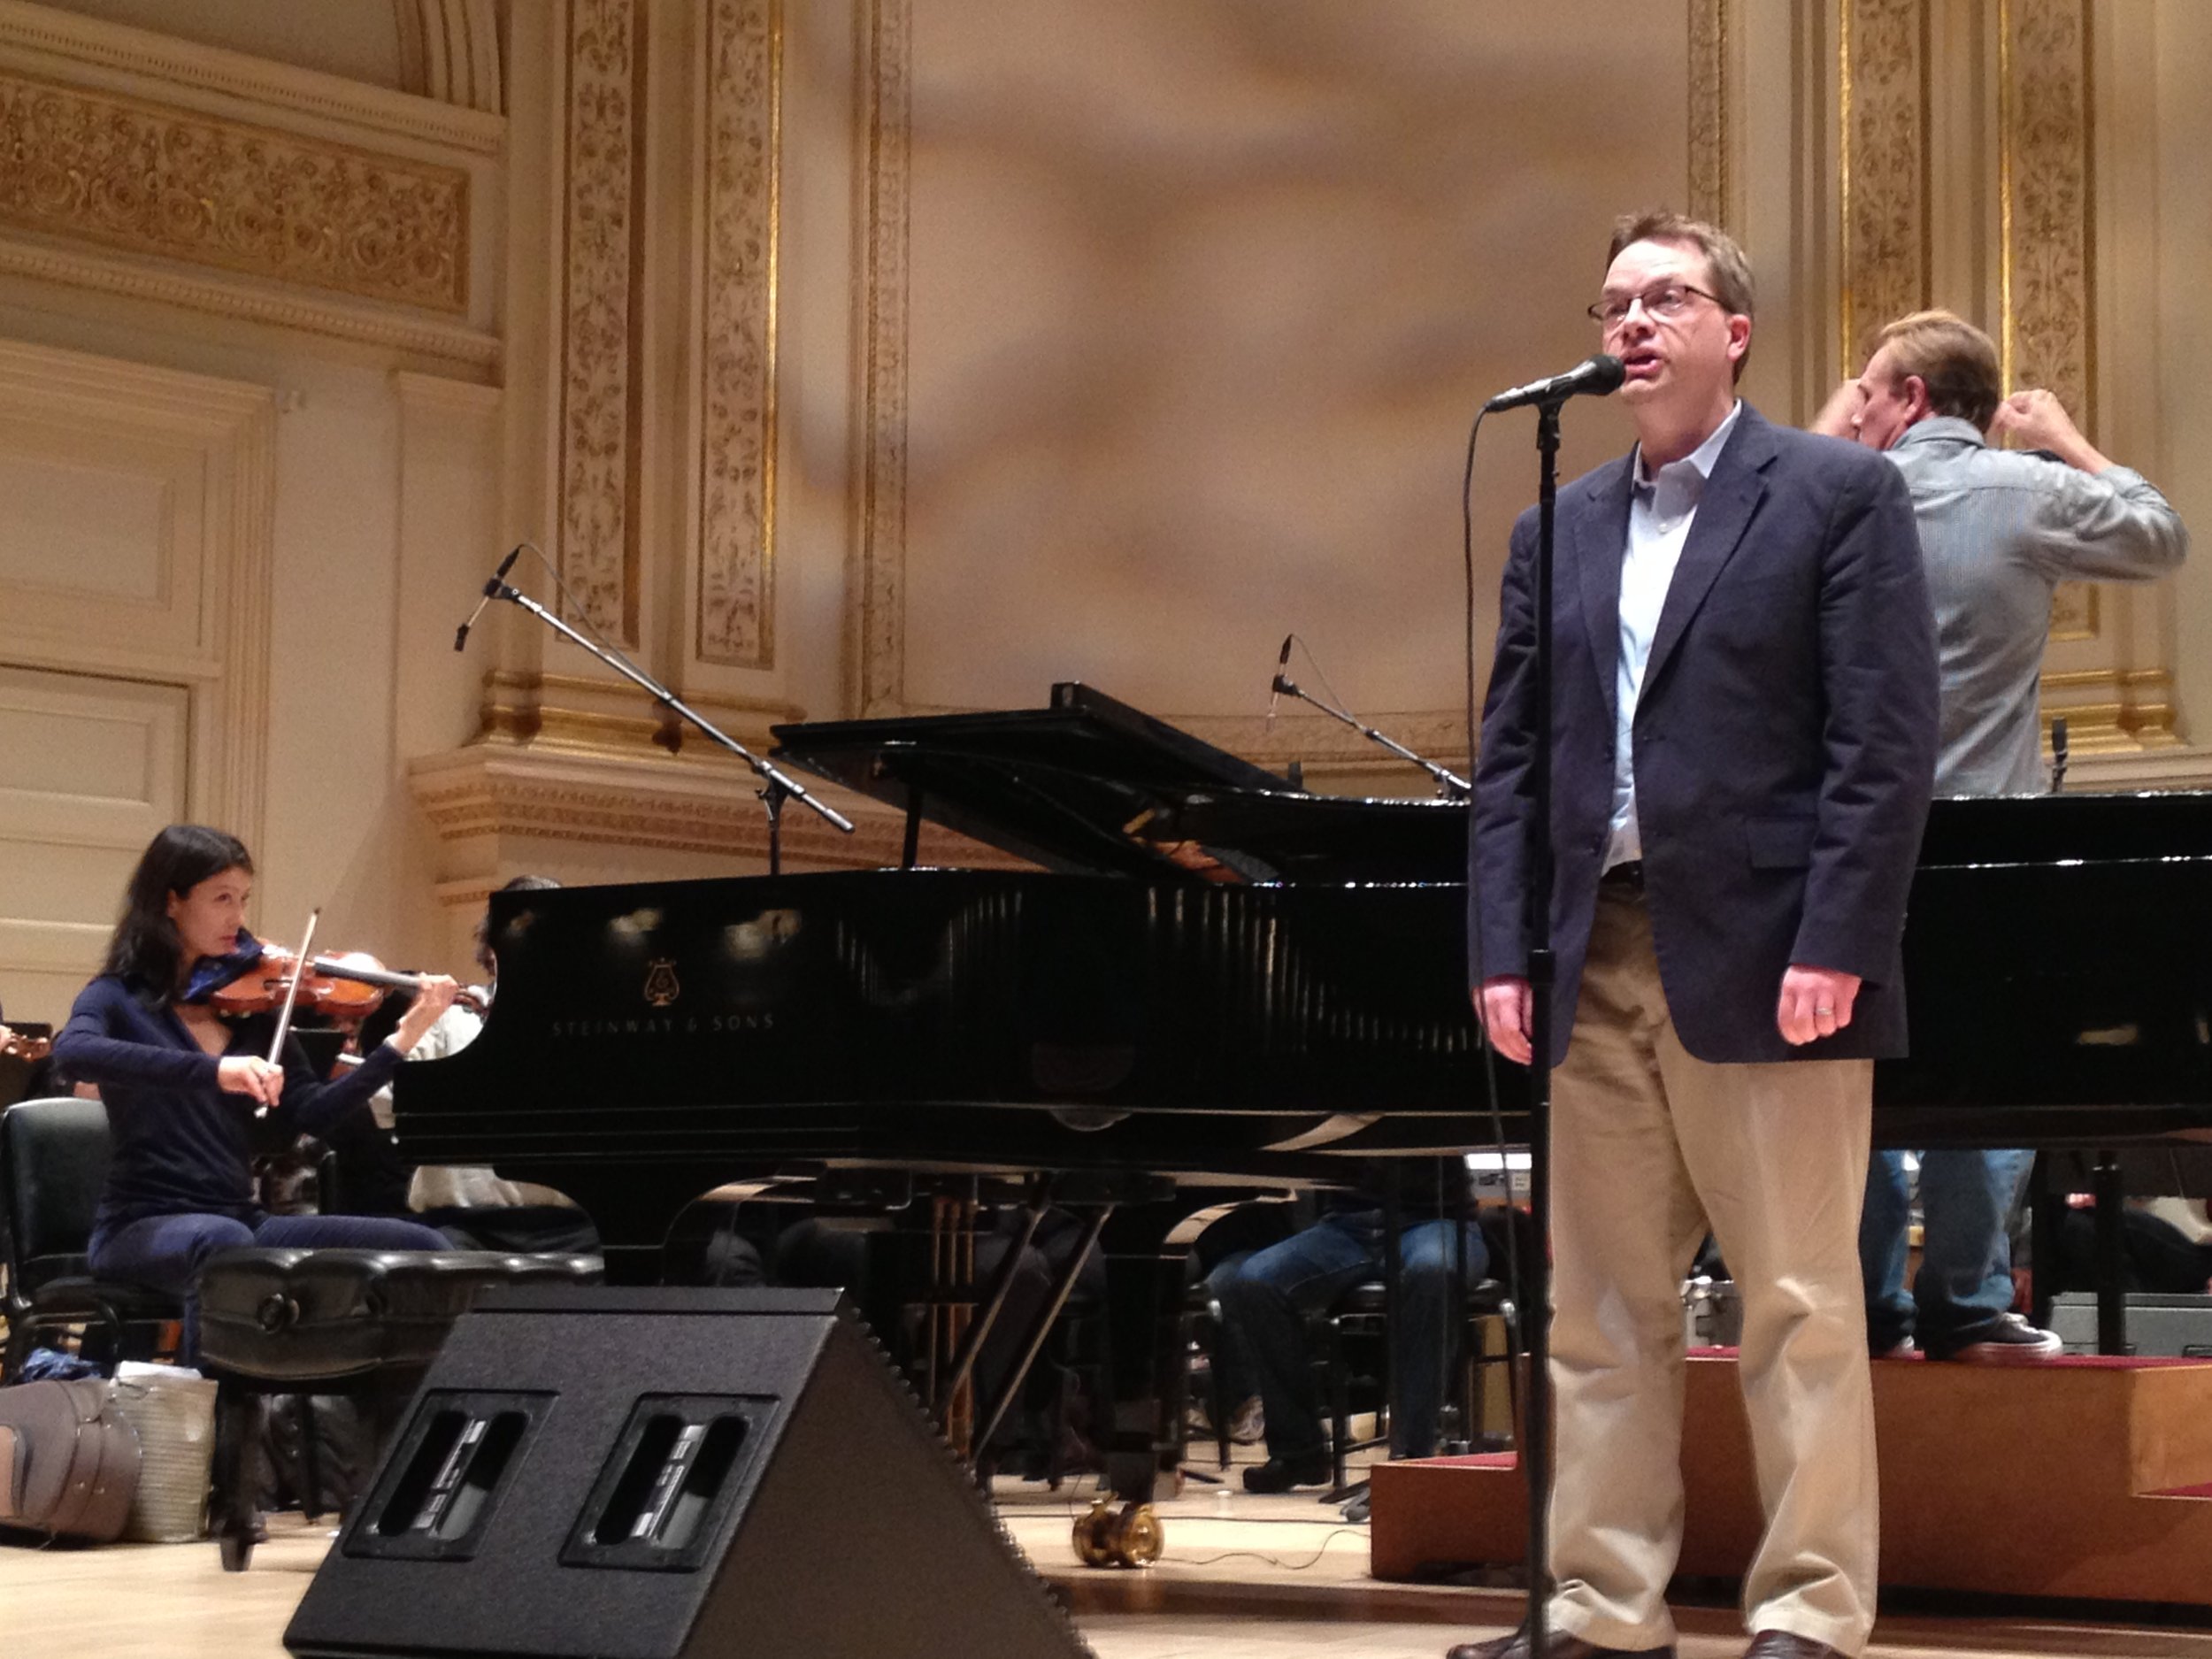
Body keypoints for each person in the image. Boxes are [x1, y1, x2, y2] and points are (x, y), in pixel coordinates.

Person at [1463, 212, 1939, 1659]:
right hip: (1588, 950)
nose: (1634, 322)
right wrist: (1499, 947)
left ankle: (1809, 1615)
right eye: (1616, 301)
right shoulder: (1560, 523)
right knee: (1599, 1315)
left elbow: (1885, 739)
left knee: (1797, 1302)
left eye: (1668, 297)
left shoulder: (1839, 493)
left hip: (1772, 948)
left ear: (1736, 329)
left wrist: (1838, 938)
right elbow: (1513, 760)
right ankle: (1603, 1613)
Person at [1813, 310, 2188, 1364]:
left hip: (1851, 845)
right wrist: (2064, 439)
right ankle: (1966, 1306)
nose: (1862, 404)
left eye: (1872, 390)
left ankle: (1864, 1304)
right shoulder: (2027, 492)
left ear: (1911, 400)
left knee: (1849, 1078)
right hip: (1987, 849)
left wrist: (1827, 434)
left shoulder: (1839, 496)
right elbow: (2160, 534)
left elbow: (1727, 550)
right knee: (1990, 1073)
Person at [51, 824, 460, 1361]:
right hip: (138, 1228)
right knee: (222, 1246)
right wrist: (214, 1072)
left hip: (242, 1223)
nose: (238, 919)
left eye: (243, 900)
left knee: (427, 1248)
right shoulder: (117, 998)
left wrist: (405, 1037)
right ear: (172, 901)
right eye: (222, 899)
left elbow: (316, 1111)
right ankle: (215, 1420)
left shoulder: (250, 1015)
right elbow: (74, 1053)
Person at [1208, 1190, 1487, 1491]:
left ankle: (1412, 1456)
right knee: (1256, 1281)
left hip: (1437, 1220)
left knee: (1433, 1271)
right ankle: (1299, 1452)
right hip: (1345, 1229)